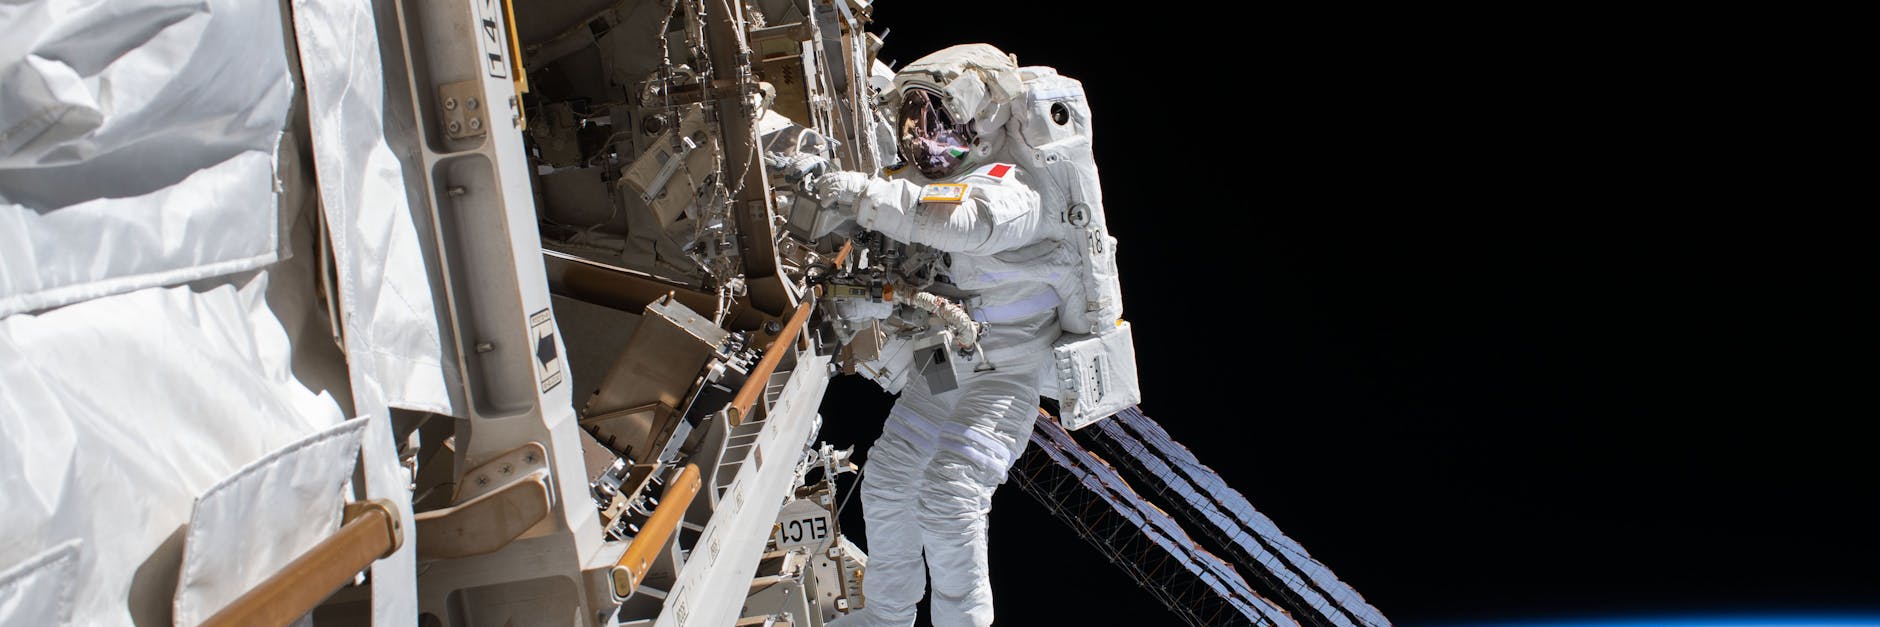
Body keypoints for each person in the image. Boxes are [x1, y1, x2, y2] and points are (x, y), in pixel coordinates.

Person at [815, 43, 1070, 627]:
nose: (924, 143)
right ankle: (886, 616)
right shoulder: (937, 177)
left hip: (1005, 372)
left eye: (938, 126)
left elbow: (962, 219)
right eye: (914, 126)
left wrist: (860, 193)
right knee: (885, 485)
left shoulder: (1015, 188)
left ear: (980, 124)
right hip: (949, 357)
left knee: (951, 494)